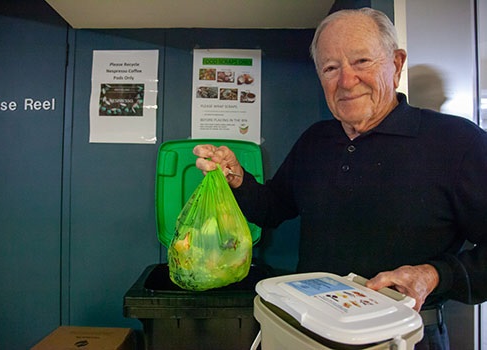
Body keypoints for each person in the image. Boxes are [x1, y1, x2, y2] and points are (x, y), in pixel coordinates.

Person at [193, 7, 487, 350]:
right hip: (308, 333)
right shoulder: (316, 139)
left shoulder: (458, 142)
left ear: (396, 64)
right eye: (331, 68)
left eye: (362, 61)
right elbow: (273, 207)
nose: (347, 81)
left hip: (403, 338)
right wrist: (237, 179)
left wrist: (435, 274)